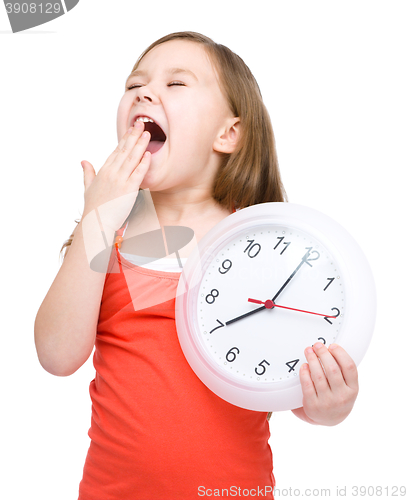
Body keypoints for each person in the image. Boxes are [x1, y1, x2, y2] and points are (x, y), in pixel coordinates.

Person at [34, 31, 359, 500]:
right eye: (135, 85)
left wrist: (329, 406)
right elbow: (56, 355)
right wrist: (97, 219)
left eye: (176, 84)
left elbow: (286, 377)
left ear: (227, 134)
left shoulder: (262, 247)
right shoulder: (109, 234)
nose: (145, 92)